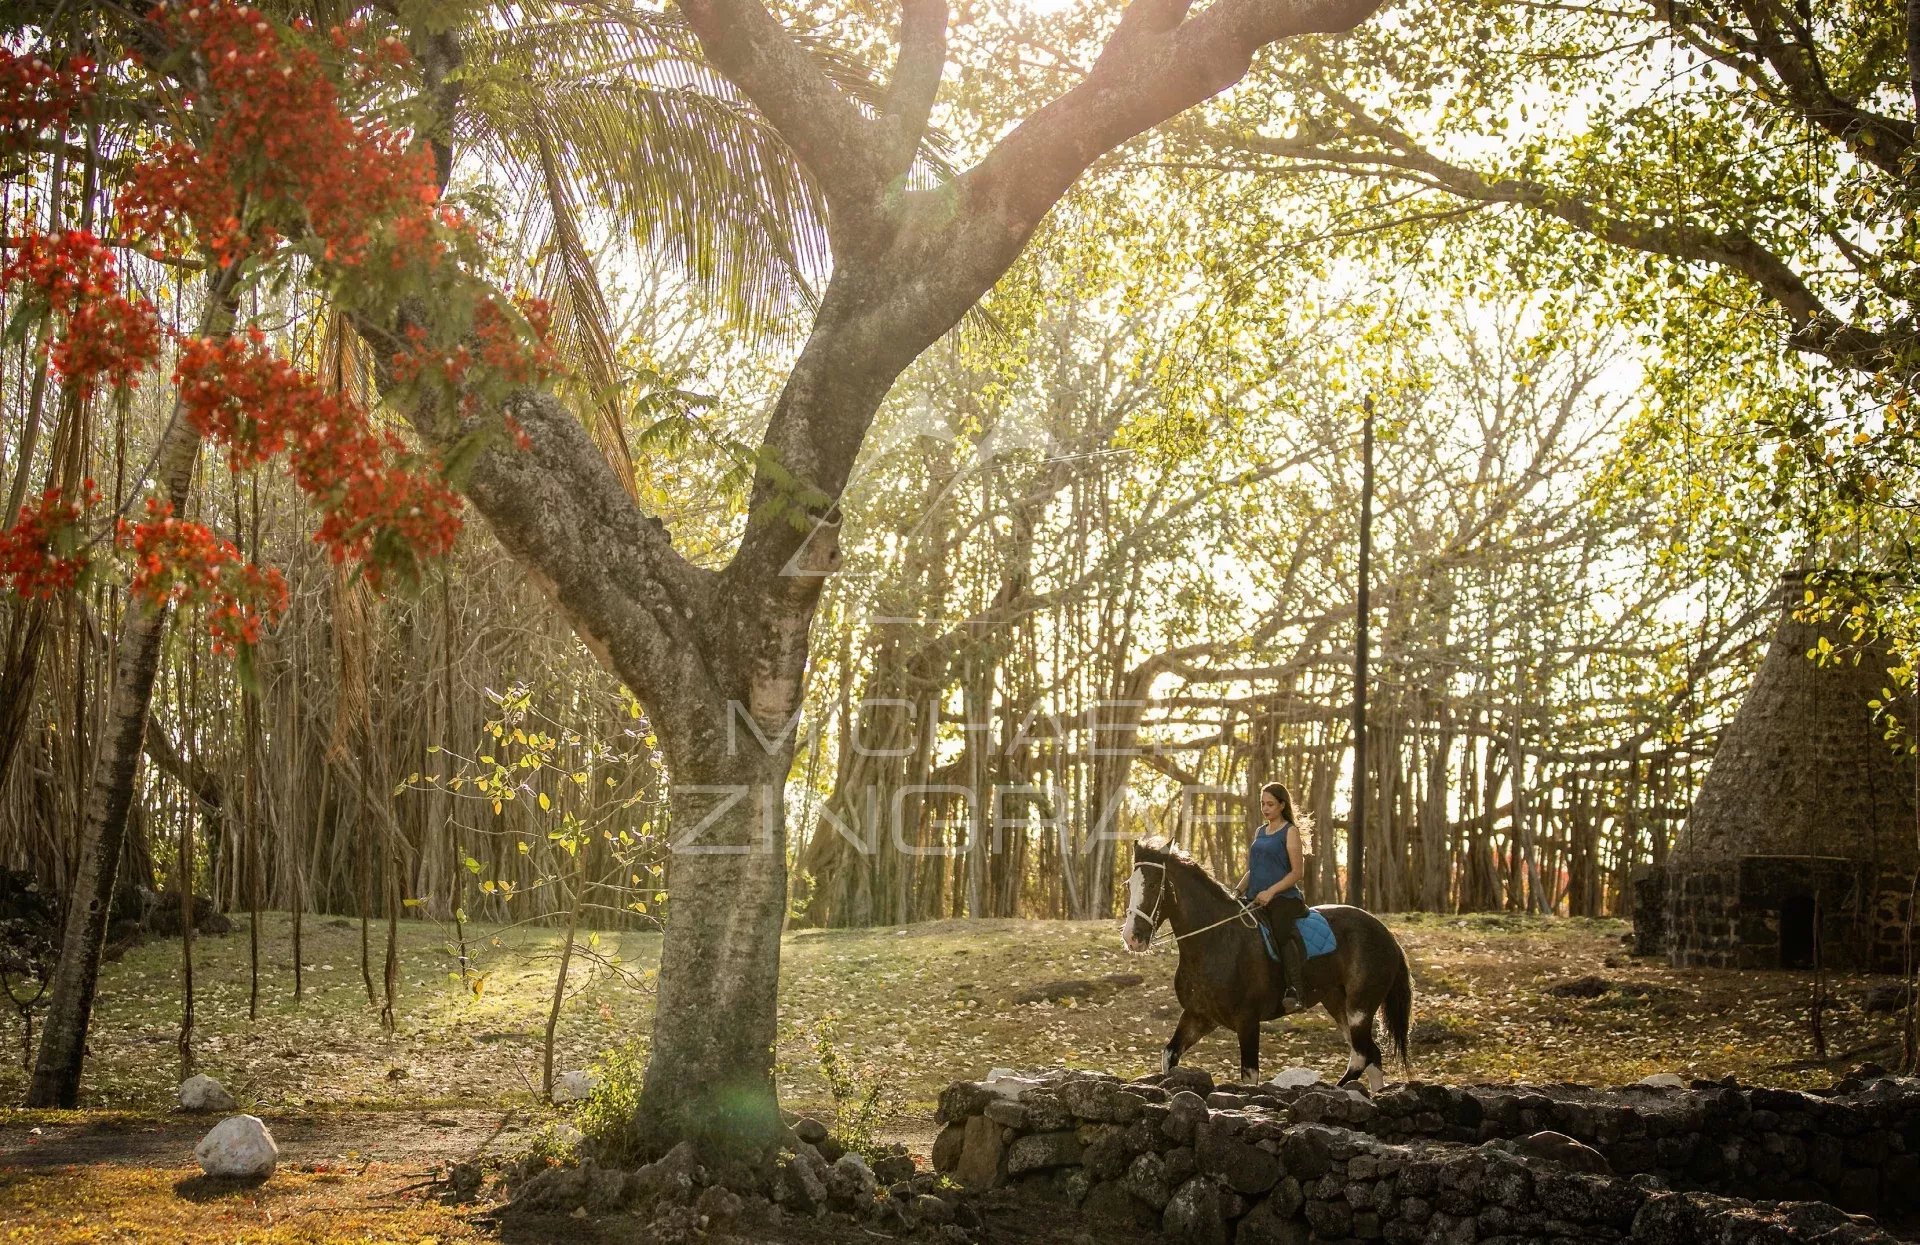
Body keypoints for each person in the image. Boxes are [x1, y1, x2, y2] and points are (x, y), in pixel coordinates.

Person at [1236, 781, 1310, 1016]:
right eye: (1262, 804)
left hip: (1284, 899)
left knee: (1280, 932)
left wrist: (1271, 892)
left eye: (1270, 804)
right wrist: (1237, 891)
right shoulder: (1260, 832)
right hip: (1254, 897)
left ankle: (1294, 990)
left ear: (1282, 805)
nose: (1265, 809)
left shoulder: (1290, 832)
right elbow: (1255, 868)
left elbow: (1297, 873)